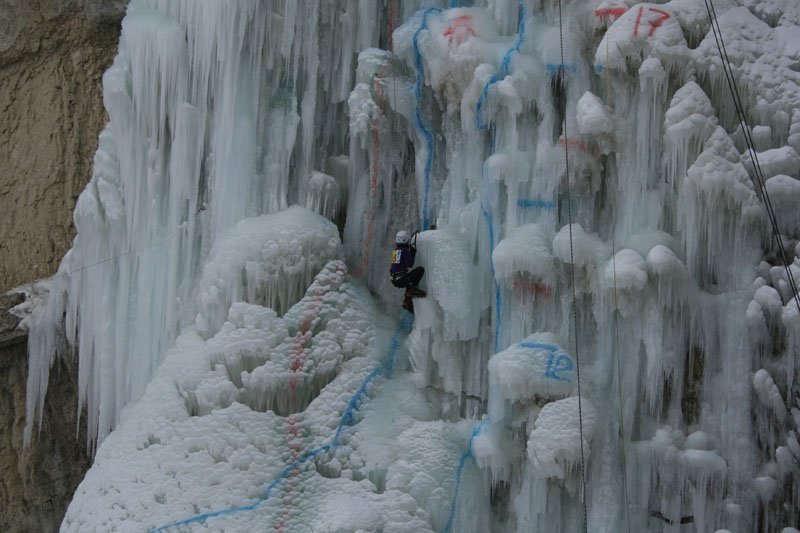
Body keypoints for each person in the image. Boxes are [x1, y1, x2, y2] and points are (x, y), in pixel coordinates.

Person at [390, 230, 426, 313]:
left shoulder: (396, 250)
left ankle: (407, 299)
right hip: (400, 279)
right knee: (420, 270)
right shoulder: (405, 251)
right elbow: (410, 264)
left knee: (409, 278)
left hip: (394, 279)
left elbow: (399, 264)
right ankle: (413, 290)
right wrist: (412, 253)